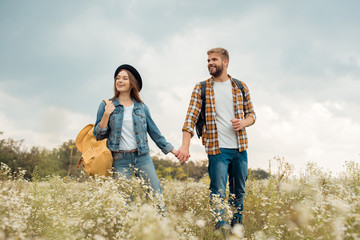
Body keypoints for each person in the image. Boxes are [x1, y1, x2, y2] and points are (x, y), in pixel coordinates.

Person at [177, 48, 256, 229]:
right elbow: (190, 119)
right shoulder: (201, 88)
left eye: (214, 60)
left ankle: (236, 231)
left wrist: (243, 122)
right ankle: (221, 232)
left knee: (238, 193)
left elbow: (252, 115)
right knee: (218, 193)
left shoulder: (240, 87)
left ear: (225, 62)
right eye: (208, 60)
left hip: (240, 149)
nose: (210, 63)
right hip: (217, 150)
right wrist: (185, 146)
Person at [93, 64, 178, 212]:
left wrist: (173, 151)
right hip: (120, 160)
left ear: (132, 83)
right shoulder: (106, 105)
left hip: (142, 157)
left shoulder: (141, 107)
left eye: (124, 78)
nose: (120, 81)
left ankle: (162, 231)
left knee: (156, 197)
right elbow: (98, 135)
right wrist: (107, 114)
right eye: (117, 78)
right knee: (126, 203)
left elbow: (154, 132)